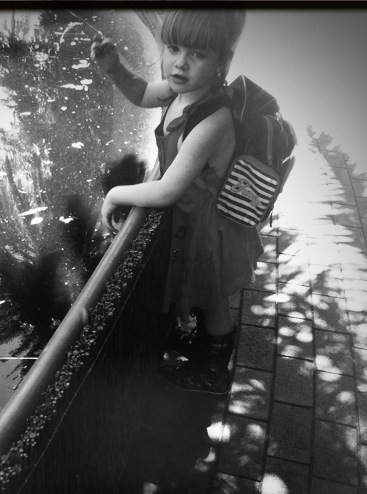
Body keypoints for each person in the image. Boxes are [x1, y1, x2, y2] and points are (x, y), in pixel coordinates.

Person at [90, 9, 263, 395]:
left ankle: (213, 372)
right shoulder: (176, 91)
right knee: (201, 292)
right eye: (173, 48)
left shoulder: (212, 121)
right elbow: (141, 93)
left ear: (222, 63)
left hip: (210, 232)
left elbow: (168, 189)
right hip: (191, 223)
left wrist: (115, 194)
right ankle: (202, 343)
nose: (180, 63)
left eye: (197, 54)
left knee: (214, 301)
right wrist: (115, 69)